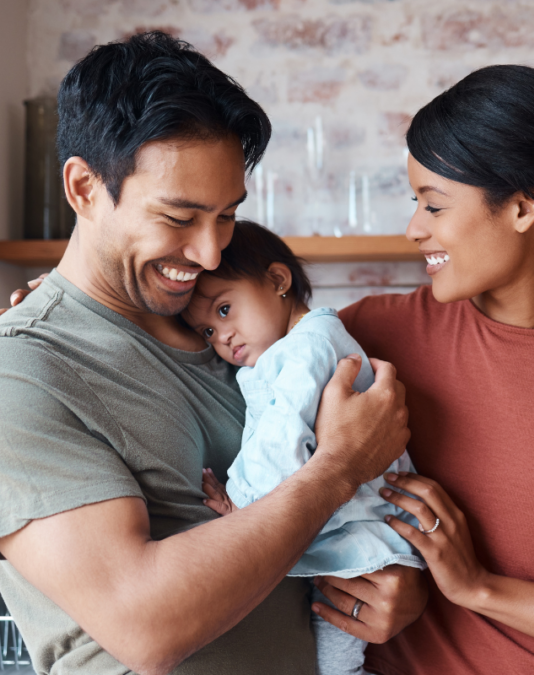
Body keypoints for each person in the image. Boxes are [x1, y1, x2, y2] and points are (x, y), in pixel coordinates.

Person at [0, 62, 534, 674]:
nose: (414, 228)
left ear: (525, 207)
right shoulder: (368, 338)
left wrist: (474, 586)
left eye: (434, 203)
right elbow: (217, 355)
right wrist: (50, 315)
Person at [0, 33, 426, 675]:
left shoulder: (233, 336)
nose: (209, 253)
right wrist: (337, 469)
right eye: (178, 217)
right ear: (84, 188)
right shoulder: (7, 375)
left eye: (226, 215)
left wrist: (398, 587)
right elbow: (147, 625)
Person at [181, 219, 426, 675]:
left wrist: (242, 509)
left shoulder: (304, 350)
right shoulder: (297, 346)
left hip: (360, 542)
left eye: (224, 310)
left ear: (278, 281)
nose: (222, 337)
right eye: (206, 333)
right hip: (354, 532)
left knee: (337, 666)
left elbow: (283, 440)